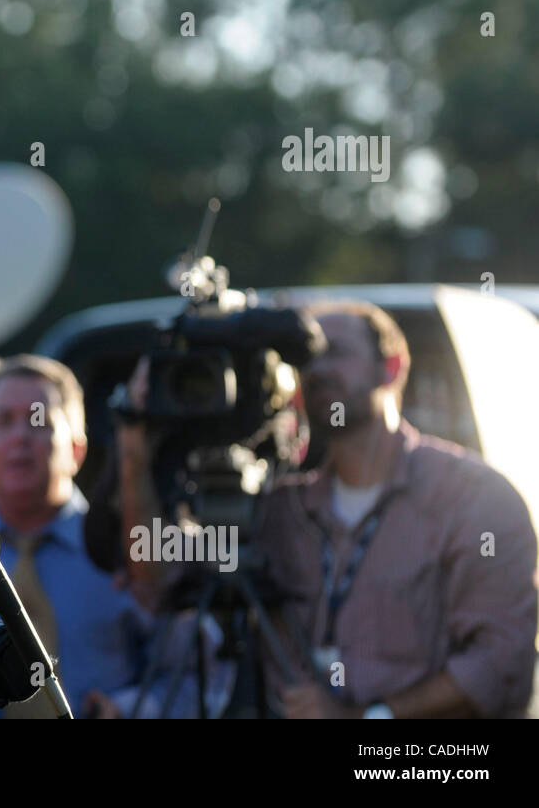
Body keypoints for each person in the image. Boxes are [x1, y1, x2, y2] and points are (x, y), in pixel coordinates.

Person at [116, 301, 538, 718]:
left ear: (391, 367)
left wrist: (368, 718)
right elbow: (158, 581)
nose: (317, 369)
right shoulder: (280, 510)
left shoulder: (475, 498)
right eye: (306, 357)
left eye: (335, 351)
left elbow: (502, 664)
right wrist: (135, 455)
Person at [0, 354, 222, 718]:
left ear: (77, 448)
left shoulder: (128, 551)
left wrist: (131, 710)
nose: (19, 437)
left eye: (37, 420)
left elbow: (199, 673)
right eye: (2, 421)